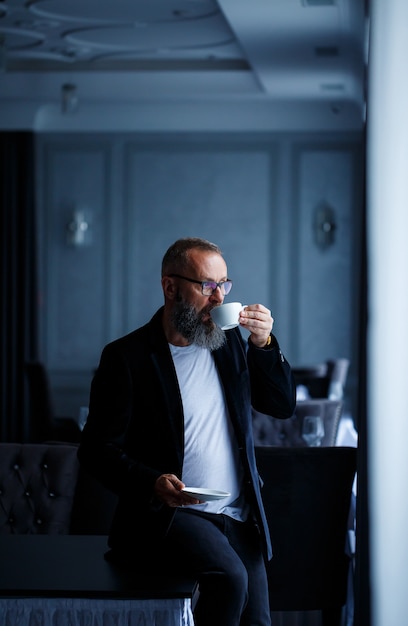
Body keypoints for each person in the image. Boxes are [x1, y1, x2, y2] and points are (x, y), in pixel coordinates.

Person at [78, 237, 296, 626]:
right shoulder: (127, 358)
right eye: (206, 285)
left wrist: (263, 344)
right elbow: (96, 450)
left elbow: (281, 406)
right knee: (229, 580)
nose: (219, 297)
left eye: (224, 284)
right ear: (170, 287)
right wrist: (151, 483)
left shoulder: (227, 344)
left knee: (258, 620)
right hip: (174, 515)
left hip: (239, 512)